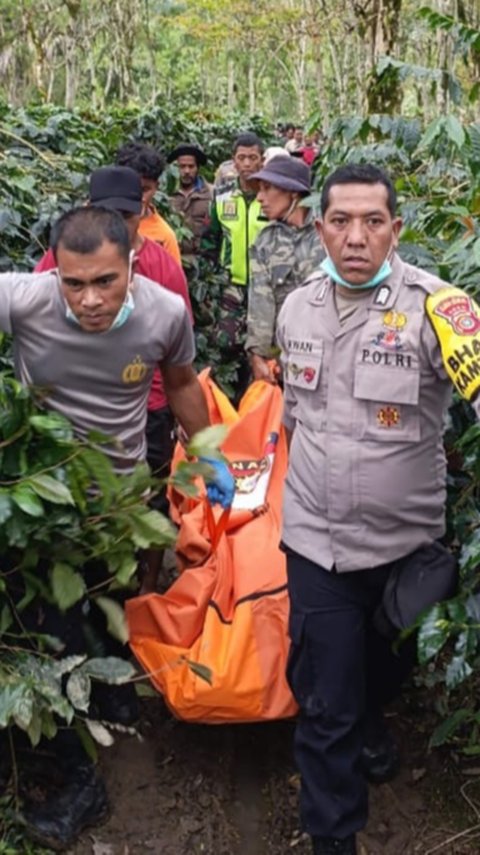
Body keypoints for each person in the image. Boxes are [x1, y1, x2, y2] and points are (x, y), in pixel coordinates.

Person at [1, 206, 234, 850]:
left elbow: (181, 380)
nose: (89, 300)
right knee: (55, 635)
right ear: (53, 270)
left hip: (121, 500)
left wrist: (206, 451)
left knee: (109, 602)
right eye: (73, 284)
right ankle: (83, 778)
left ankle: (114, 694)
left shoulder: (164, 312)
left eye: (105, 280)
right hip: (43, 506)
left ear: (133, 261)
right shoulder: (22, 300)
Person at [276, 163, 480, 855]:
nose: (355, 237)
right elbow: (294, 417)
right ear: (320, 227)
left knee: (381, 666)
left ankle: (370, 711)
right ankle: (335, 840)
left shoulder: (440, 308)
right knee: (326, 702)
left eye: (372, 222)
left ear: (396, 229)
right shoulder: (296, 307)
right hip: (316, 541)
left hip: (405, 546)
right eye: (340, 221)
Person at [35, 165, 193, 592]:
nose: (118, 225)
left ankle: (145, 582)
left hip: (151, 403)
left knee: (150, 496)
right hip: (81, 405)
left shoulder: (162, 266)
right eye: (109, 215)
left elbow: (178, 359)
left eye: (127, 216)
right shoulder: (62, 257)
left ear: (141, 213)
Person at [246, 156, 324, 383]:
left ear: (293, 193)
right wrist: (257, 356)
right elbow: (261, 302)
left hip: (330, 352)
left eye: (267, 188)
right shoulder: (265, 241)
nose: (260, 198)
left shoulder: (328, 232)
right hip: (286, 358)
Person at [202, 132, 268, 396]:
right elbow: (211, 240)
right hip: (231, 286)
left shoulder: (270, 196)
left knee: (262, 348)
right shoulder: (221, 196)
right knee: (226, 344)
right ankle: (230, 400)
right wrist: (211, 279)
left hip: (264, 288)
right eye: (242, 158)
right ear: (234, 161)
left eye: (253, 158)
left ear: (262, 161)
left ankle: (259, 401)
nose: (248, 163)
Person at [116, 141, 182, 265]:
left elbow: (173, 281)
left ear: (156, 187)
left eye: (145, 190)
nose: (140, 197)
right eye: (132, 188)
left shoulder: (164, 236)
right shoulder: (99, 220)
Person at [167, 143, 212, 261]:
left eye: (191, 166)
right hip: (171, 257)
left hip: (201, 260)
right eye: (182, 167)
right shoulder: (165, 194)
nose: (186, 171)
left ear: (197, 168)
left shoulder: (211, 194)